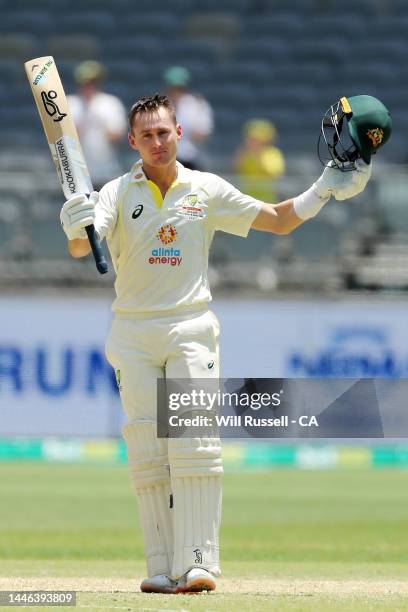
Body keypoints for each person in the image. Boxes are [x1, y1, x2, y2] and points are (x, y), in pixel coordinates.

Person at [59, 93, 387, 594]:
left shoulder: (205, 188)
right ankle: (160, 566)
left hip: (191, 327)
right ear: (132, 141)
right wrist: (72, 223)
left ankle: (198, 563)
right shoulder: (115, 193)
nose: (156, 141)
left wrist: (323, 188)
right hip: (132, 332)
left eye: (164, 132)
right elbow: (86, 245)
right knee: (147, 449)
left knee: (194, 445)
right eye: (146, 135)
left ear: (179, 134)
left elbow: (278, 220)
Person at [68, 60, 127, 189]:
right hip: (77, 175)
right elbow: (65, 140)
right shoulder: (69, 104)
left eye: (92, 82)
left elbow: (117, 136)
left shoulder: (110, 103)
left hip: (107, 171)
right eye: (85, 82)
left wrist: (99, 122)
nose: (88, 86)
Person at [163, 66, 213, 170]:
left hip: (190, 158)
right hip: (164, 158)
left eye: (179, 88)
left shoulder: (197, 105)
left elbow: (202, 133)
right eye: (173, 88)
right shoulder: (159, 105)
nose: (176, 92)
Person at [234, 118, 285, 202]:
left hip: (267, 199)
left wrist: (258, 156)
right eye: (251, 139)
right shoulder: (244, 153)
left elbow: (275, 174)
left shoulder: (273, 153)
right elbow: (235, 168)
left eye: (256, 139)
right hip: (245, 198)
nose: (252, 142)